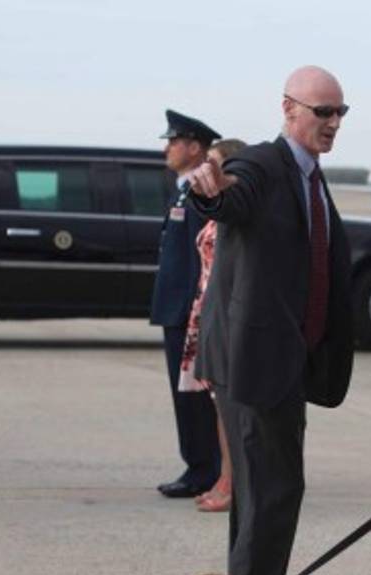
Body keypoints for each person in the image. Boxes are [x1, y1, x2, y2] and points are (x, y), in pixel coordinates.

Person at [187, 65, 355, 575]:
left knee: (263, 502)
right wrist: (207, 192)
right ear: (289, 110)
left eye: (341, 113)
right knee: (272, 500)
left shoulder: (312, 179)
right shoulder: (263, 164)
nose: (333, 123)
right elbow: (228, 198)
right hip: (256, 366)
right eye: (322, 112)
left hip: (280, 364)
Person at [151, 110, 223, 499]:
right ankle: (200, 465)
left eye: (173, 141)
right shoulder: (183, 188)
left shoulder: (198, 192)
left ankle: (203, 469)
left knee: (194, 396)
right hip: (176, 307)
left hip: (188, 310)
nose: (167, 148)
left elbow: (205, 257)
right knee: (186, 396)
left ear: (194, 146)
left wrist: (199, 310)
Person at [178, 137, 248, 512]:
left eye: (214, 163)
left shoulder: (235, 217)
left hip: (224, 319)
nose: (205, 169)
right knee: (219, 407)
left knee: (229, 409)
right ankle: (225, 478)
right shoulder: (214, 213)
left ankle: (231, 484)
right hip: (207, 314)